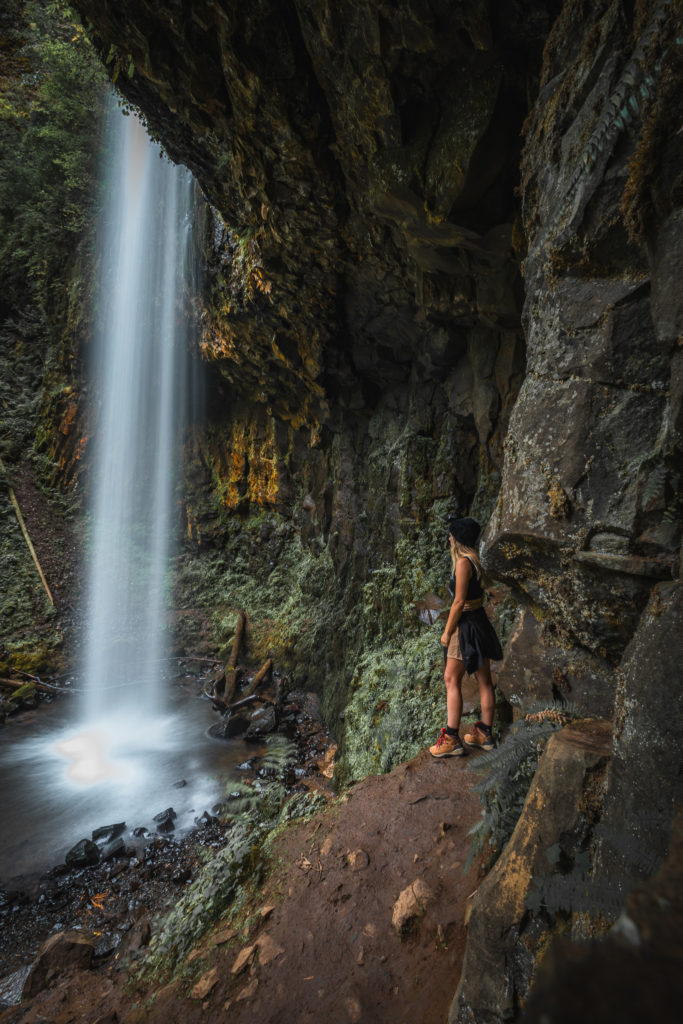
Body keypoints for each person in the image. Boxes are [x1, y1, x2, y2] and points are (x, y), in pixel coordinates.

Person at [429, 516, 503, 758]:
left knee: (451, 678)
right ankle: (485, 733)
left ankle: (451, 739)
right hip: (480, 621)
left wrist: (447, 631)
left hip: (466, 626)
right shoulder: (475, 559)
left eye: (451, 534)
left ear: (458, 538)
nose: (449, 537)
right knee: (484, 680)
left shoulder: (462, 563)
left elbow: (459, 602)